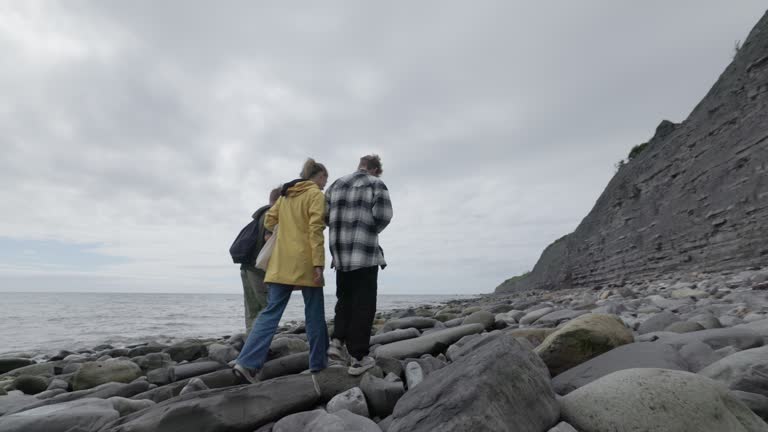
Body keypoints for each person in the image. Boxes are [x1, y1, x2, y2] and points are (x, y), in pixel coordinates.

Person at [233, 158, 330, 383]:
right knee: (314, 313)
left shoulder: (286, 195)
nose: (326, 182)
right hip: (305, 262)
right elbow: (316, 229)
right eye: (325, 177)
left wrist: (273, 233)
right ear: (318, 176)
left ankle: (246, 363)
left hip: (280, 264)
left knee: (270, 313)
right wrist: (318, 264)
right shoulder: (315, 194)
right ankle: (318, 364)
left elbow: (269, 218)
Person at [325, 154, 393, 375]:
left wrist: (341, 228)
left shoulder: (336, 184)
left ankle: (336, 342)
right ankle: (358, 356)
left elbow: (325, 216)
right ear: (375, 169)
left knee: (344, 299)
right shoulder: (376, 184)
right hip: (364, 252)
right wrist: (367, 229)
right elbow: (383, 216)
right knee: (364, 304)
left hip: (340, 253)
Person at [240, 187, 281, 334]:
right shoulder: (272, 216)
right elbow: (269, 241)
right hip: (258, 270)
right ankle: (260, 347)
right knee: (266, 308)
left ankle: (249, 344)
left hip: (246, 266)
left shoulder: (260, 215)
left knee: (252, 310)